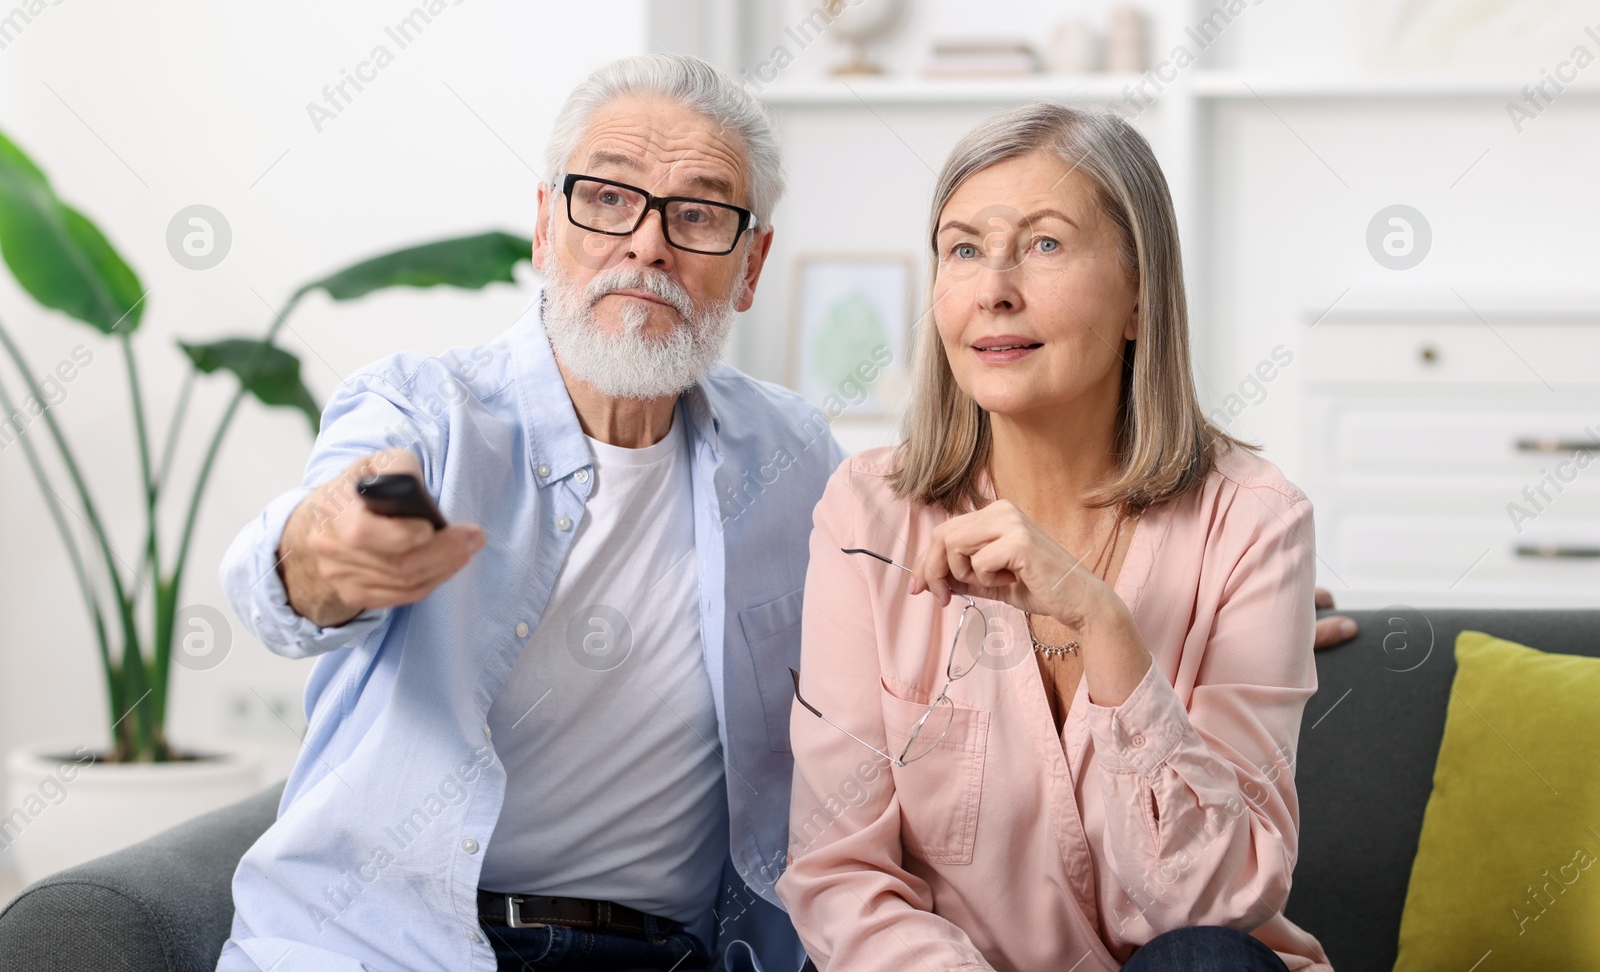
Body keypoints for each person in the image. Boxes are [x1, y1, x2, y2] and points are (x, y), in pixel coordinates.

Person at [215, 53, 842, 972]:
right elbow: (287, 570)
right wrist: (331, 552)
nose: (648, 244)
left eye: (699, 213)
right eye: (608, 198)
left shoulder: (794, 456)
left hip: (660, 955)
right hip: (389, 946)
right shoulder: (425, 412)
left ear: (750, 264)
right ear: (547, 225)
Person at [778, 104, 1334, 971]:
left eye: (1043, 244)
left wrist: (1105, 625)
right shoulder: (865, 512)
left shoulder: (1255, 521)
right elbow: (839, 871)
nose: (993, 286)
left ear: (1139, 298)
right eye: (963, 249)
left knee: (1206, 960)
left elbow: (1221, 898)